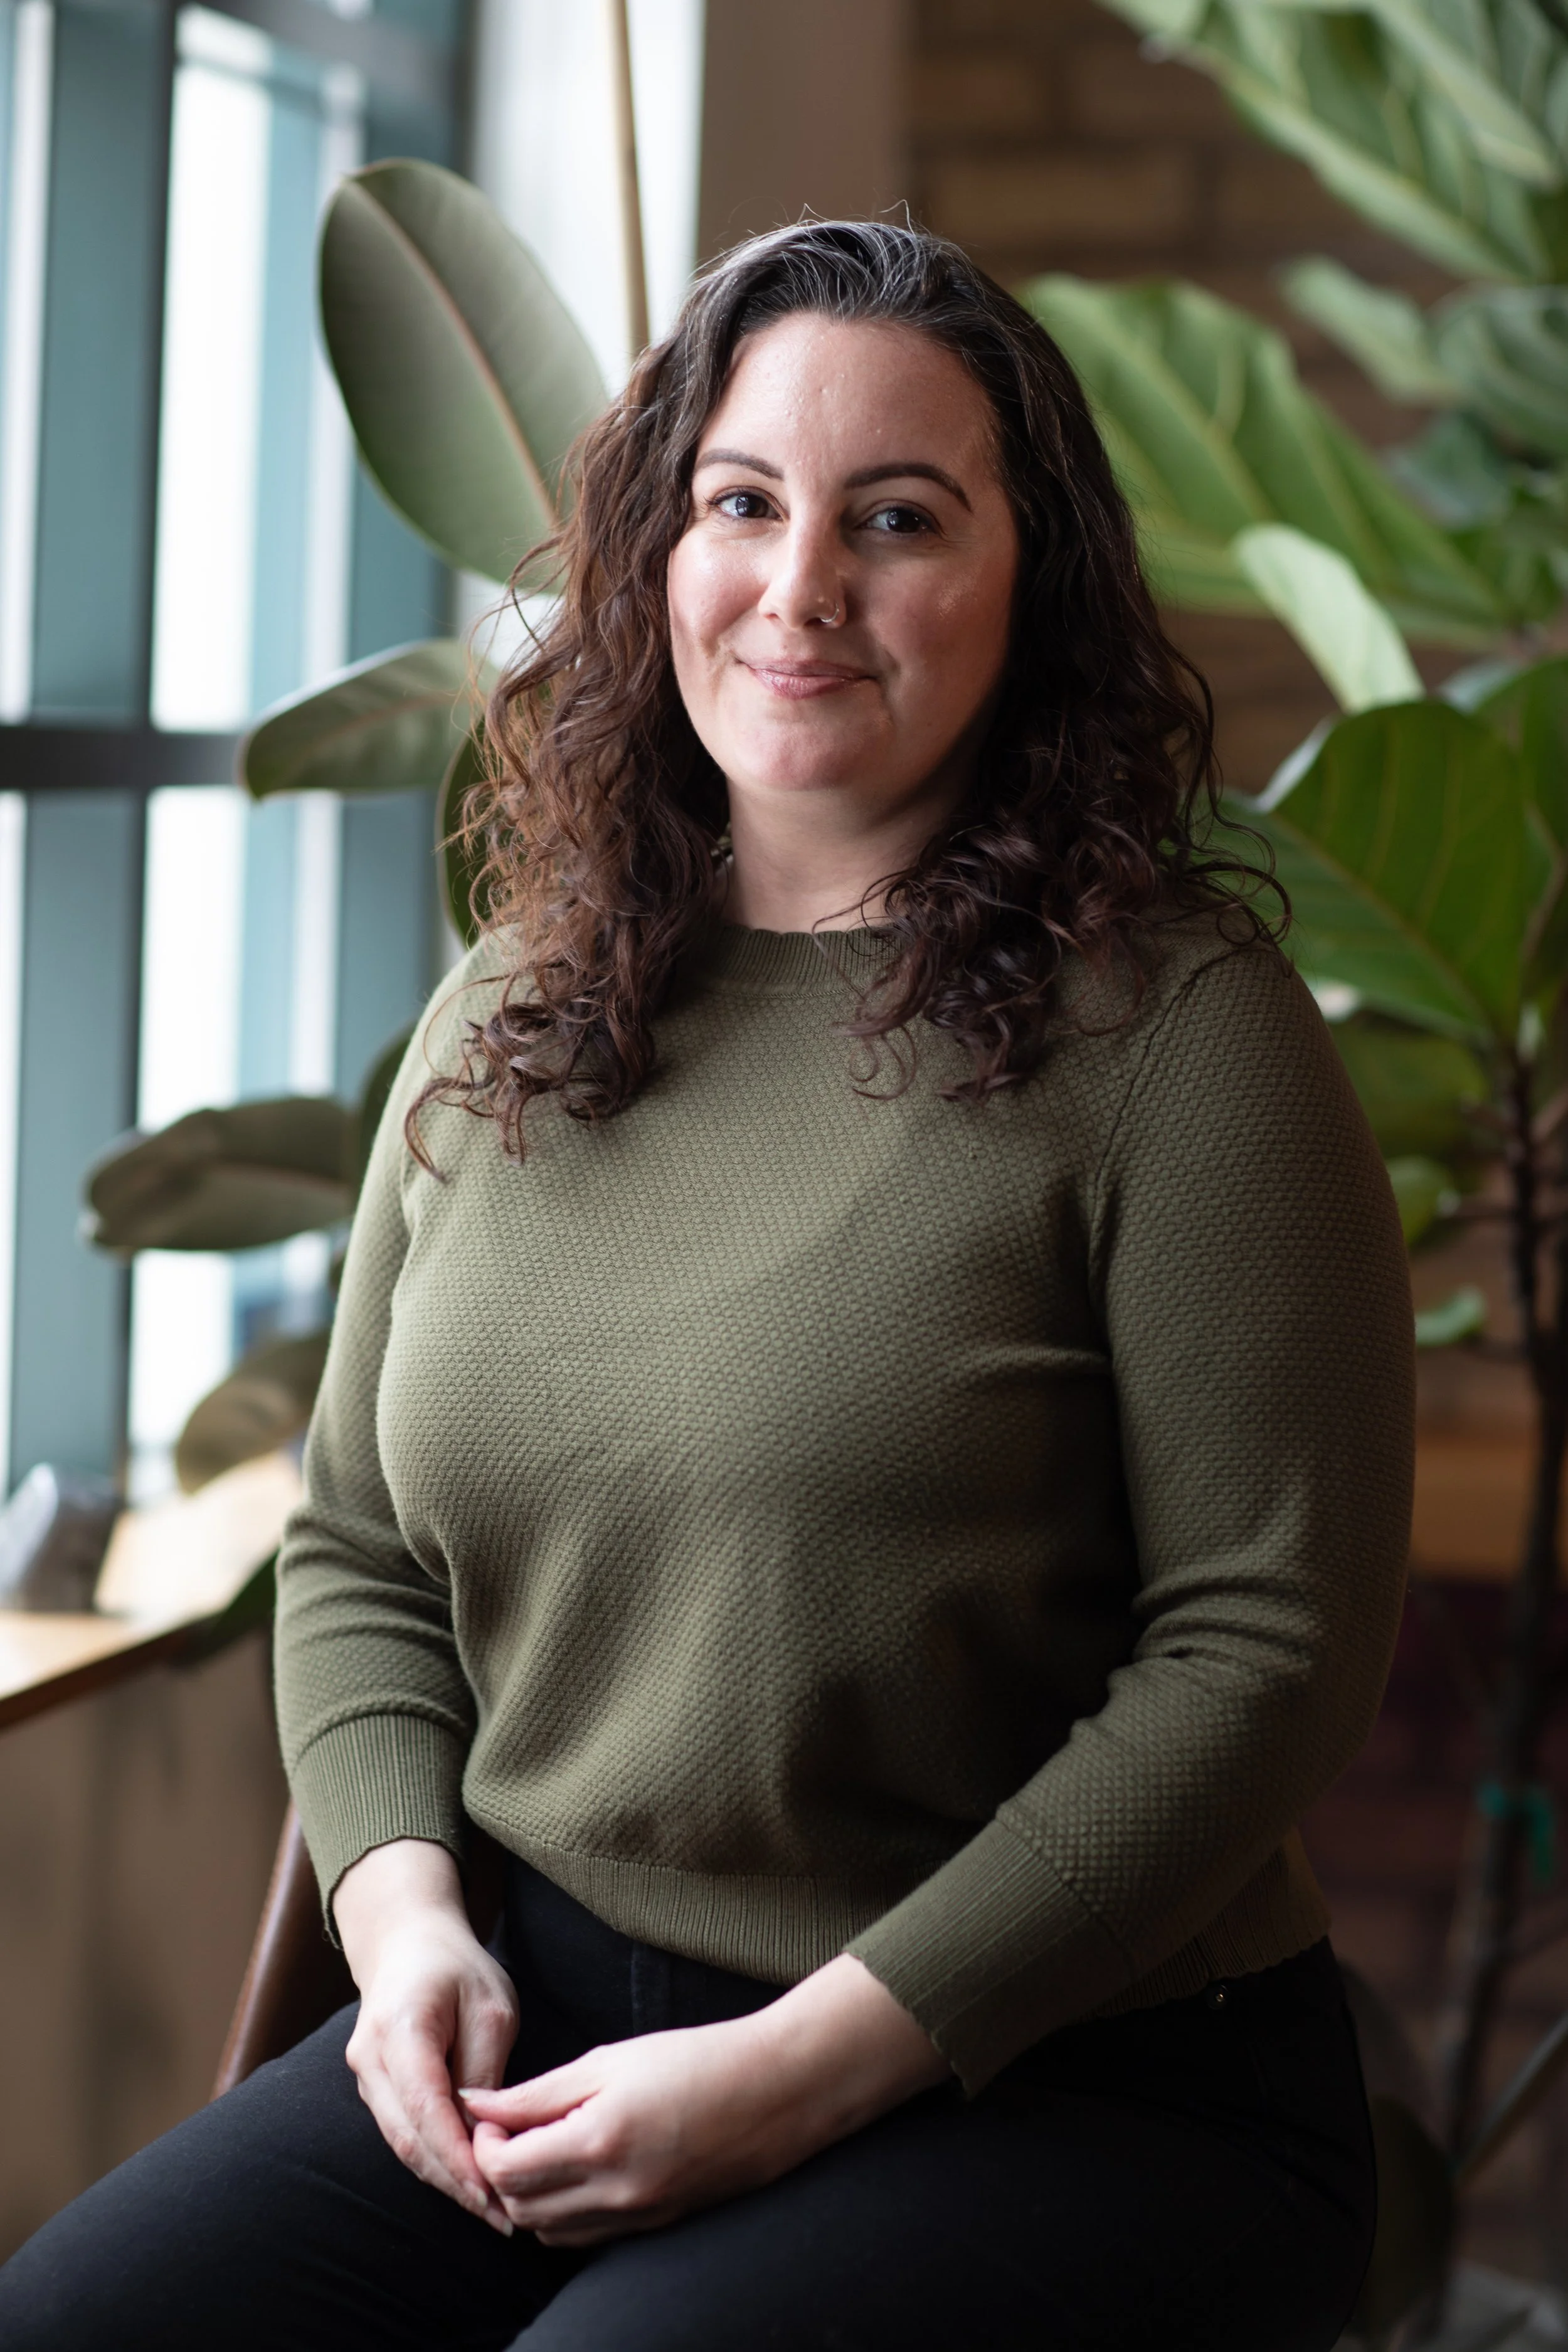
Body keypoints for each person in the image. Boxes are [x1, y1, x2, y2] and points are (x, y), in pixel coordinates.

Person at [0, 219, 1412, 2351]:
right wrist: (403, 1931)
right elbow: (362, 1546)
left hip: (1073, 2068)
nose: (801, 585)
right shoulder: (518, 998)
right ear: (659, 549)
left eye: (900, 519)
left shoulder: (1179, 1033)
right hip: (549, 2011)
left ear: (1036, 586)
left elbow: (1262, 1648)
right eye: (740, 502)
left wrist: (790, 2073)